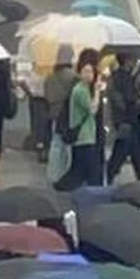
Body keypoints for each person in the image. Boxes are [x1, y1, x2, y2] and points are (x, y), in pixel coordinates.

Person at [53, 50, 104, 192]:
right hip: (84, 136)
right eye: (85, 71)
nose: (89, 75)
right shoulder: (81, 90)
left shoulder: (81, 88)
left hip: (84, 135)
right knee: (88, 170)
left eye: (91, 72)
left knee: (79, 170)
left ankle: (63, 187)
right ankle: (64, 188)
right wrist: (98, 91)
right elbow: (92, 109)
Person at [106, 50, 140, 183]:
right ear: (127, 60)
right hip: (129, 119)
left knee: (131, 149)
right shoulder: (124, 78)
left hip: (124, 119)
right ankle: (113, 172)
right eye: (133, 59)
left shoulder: (118, 77)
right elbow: (130, 99)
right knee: (126, 149)